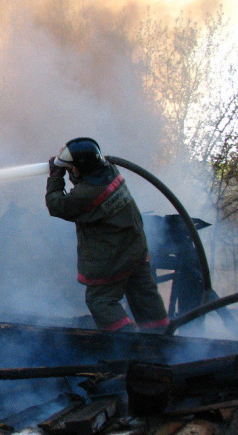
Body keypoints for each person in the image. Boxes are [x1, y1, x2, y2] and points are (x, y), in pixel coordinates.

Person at [45, 138, 169, 332]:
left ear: (81, 168)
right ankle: (164, 341)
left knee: (100, 300)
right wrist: (68, 165)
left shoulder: (88, 193)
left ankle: (128, 344)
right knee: (145, 297)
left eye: (72, 168)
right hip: (134, 248)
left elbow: (56, 205)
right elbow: (85, 176)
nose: (71, 172)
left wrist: (56, 175)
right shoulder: (109, 171)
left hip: (114, 256)